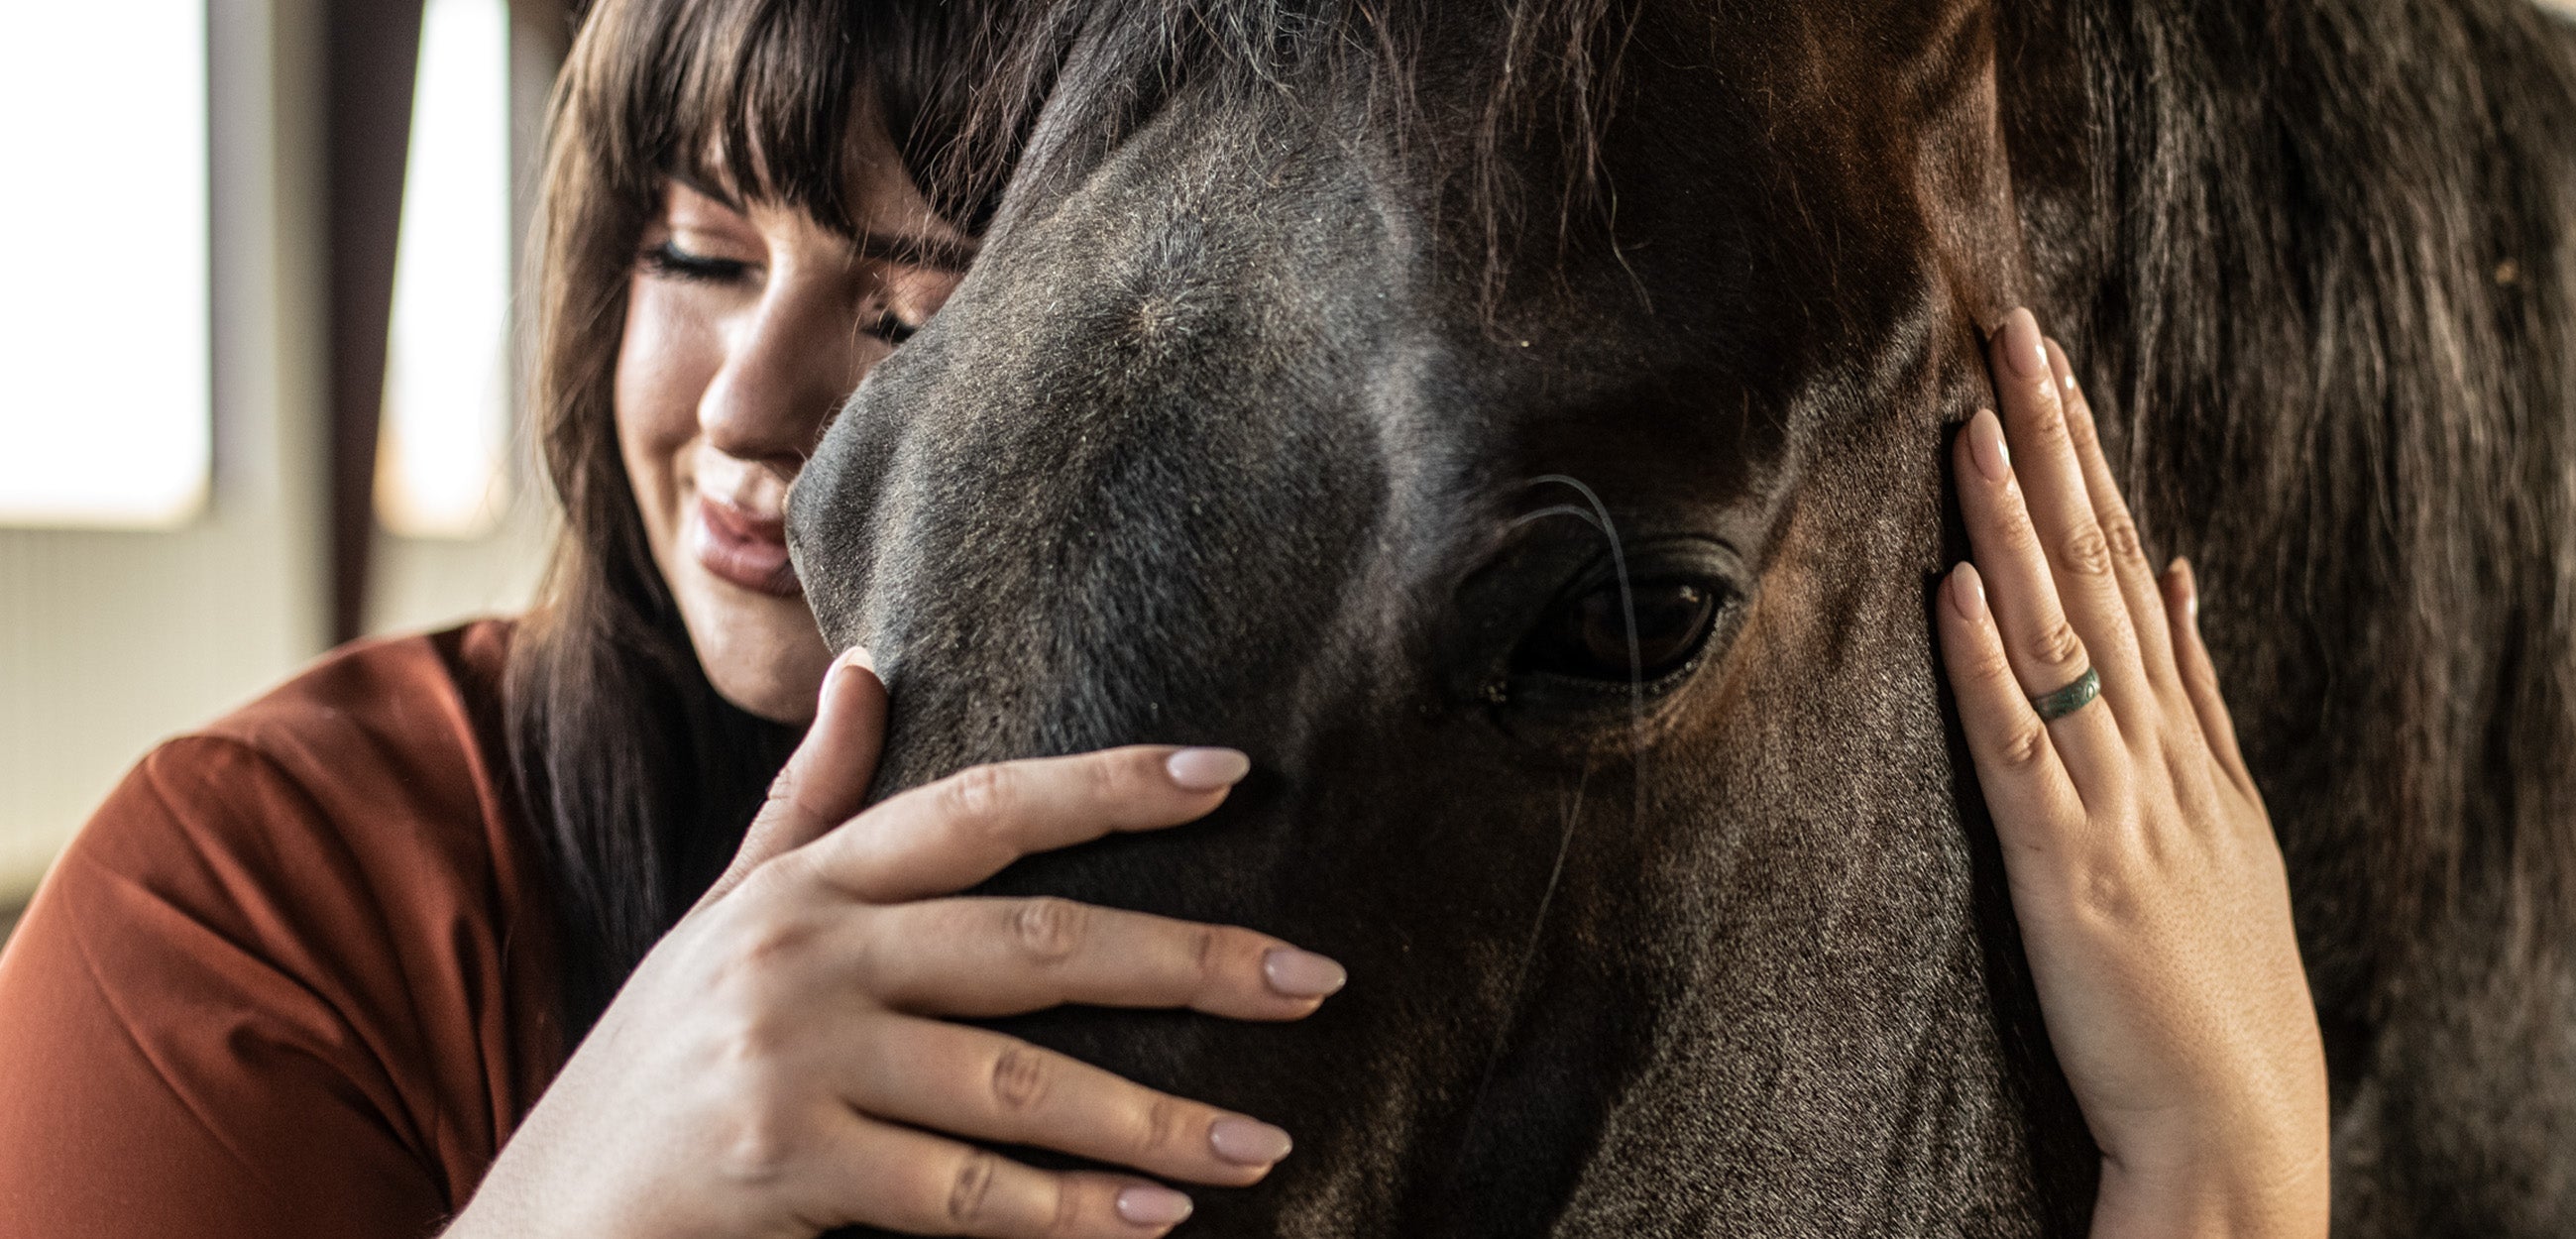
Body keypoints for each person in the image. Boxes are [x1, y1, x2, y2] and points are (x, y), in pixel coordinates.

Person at [0, 1, 2323, 1235]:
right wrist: (597, 1185)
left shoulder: (1316, 892)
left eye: (920, 309)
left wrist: (2222, 1166)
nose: (750, 397)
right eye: (690, 254)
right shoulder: (249, 905)